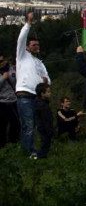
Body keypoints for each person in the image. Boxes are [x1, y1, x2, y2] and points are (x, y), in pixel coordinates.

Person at [16, 12, 51, 157]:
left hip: (37, 97)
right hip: (24, 95)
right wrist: (28, 23)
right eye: (34, 45)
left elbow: (48, 79)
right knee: (28, 125)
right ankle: (29, 152)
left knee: (36, 126)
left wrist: (46, 81)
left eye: (38, 45)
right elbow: (21, 39)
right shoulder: (22, 56)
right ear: (27, 47)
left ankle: (34, 150)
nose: (37, 46)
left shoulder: (39, 62)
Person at [0, 55, 20, 148]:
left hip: (13, 101)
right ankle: (2, 146)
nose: (1, 63)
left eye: (2, 61)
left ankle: (14, 142)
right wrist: (3, 78)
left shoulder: (12, 69)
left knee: (16, 123)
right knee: (2, 126)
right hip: (2, 102)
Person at [34, 82, 53, 159]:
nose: (50, 93)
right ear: (42, 94)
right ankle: (39, 157)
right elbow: (45, 119)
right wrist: (49, 131)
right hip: (44, 129)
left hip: (44, 128)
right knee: (45, 144)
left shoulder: (43, 104)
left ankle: (42, 157)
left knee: (46, 144)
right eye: (48, 92)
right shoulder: (42, 105)